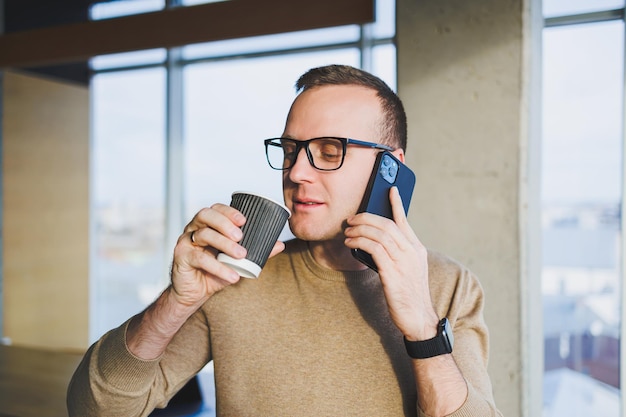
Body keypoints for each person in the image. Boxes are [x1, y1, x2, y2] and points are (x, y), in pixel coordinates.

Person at [68, 64, 502, 417]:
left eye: (330, 151)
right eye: (291, 149)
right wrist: (176, 302)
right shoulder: (235, 275)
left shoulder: (449, 286)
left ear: (391, 165)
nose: (295, 172)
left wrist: (423, 327)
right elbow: (94, 409)